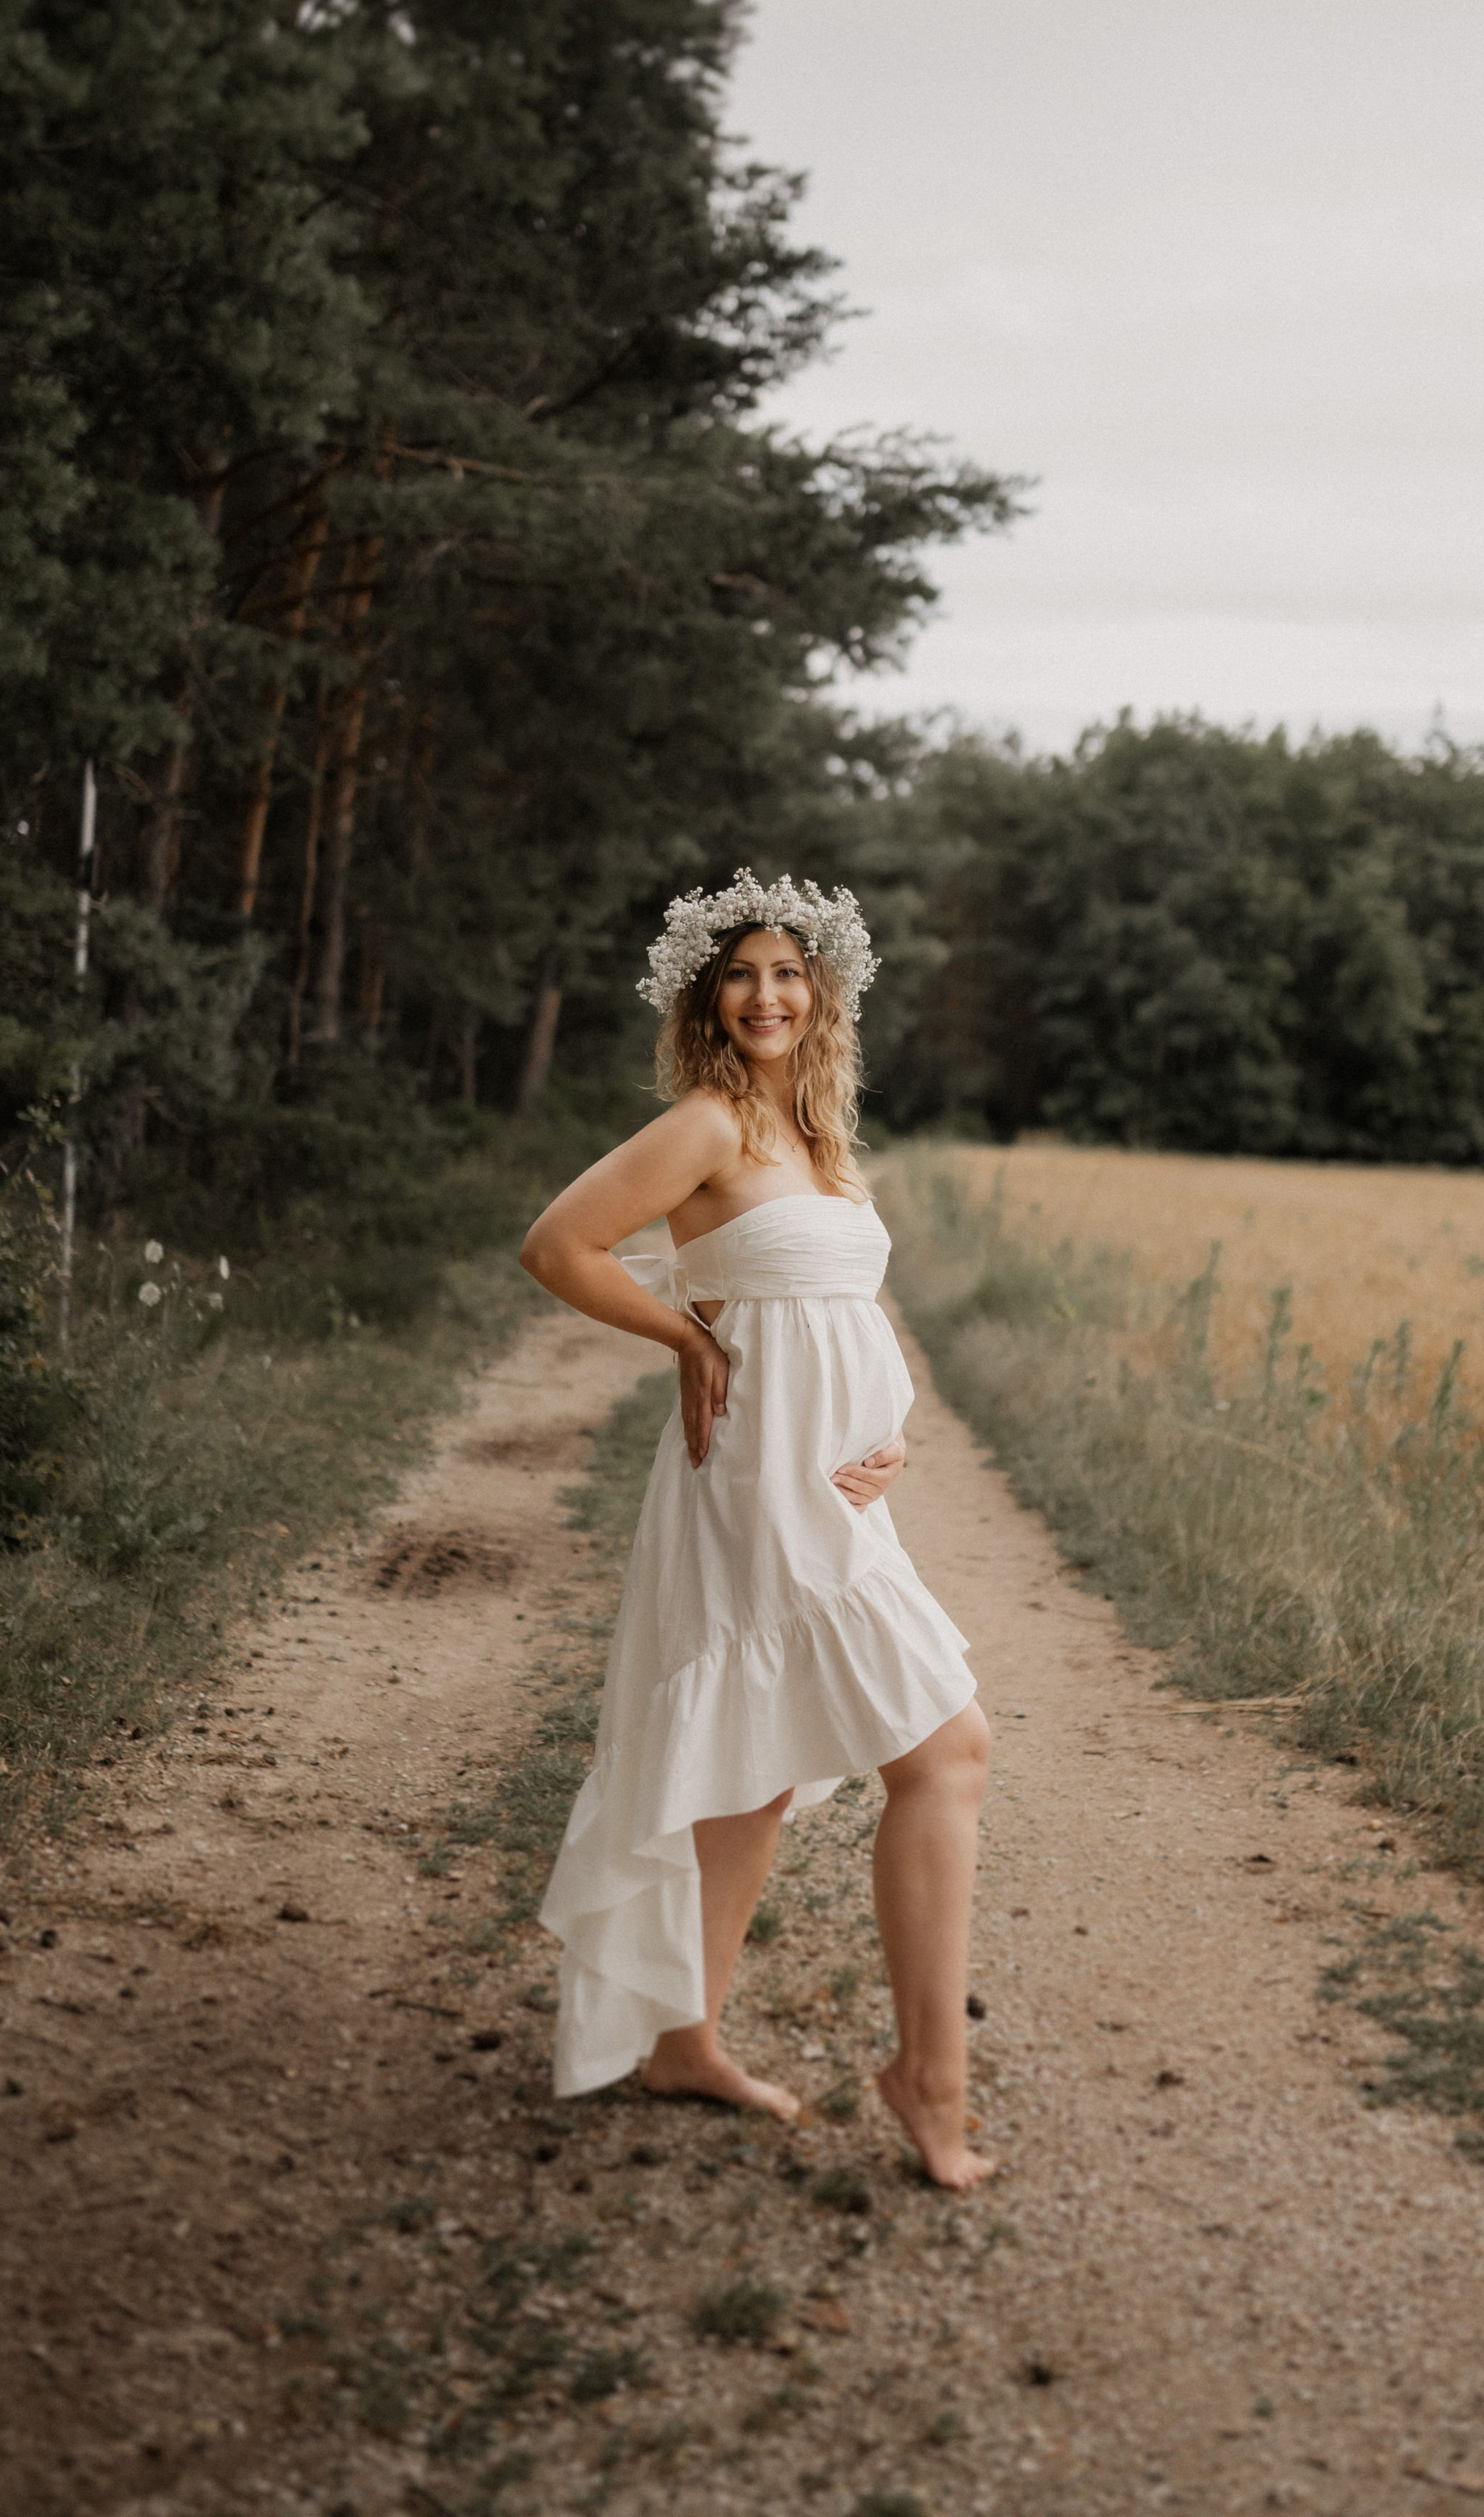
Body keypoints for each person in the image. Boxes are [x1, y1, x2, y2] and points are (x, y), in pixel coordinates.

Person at [520, 871, 993, 2191]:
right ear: (705, 994)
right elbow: (559, 1246)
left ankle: (684, 2044)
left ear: (822, 992)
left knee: (754, 1774)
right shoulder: (709, 1122)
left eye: (789, 972)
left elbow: (839, 1312)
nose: (766, 995)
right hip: (755, 1487)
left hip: (836, 1493)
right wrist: (685, 1335)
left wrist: (894, 1428)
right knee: (950, 1751)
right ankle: (931, 2080)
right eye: (741, 973)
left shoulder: (821, 1137)